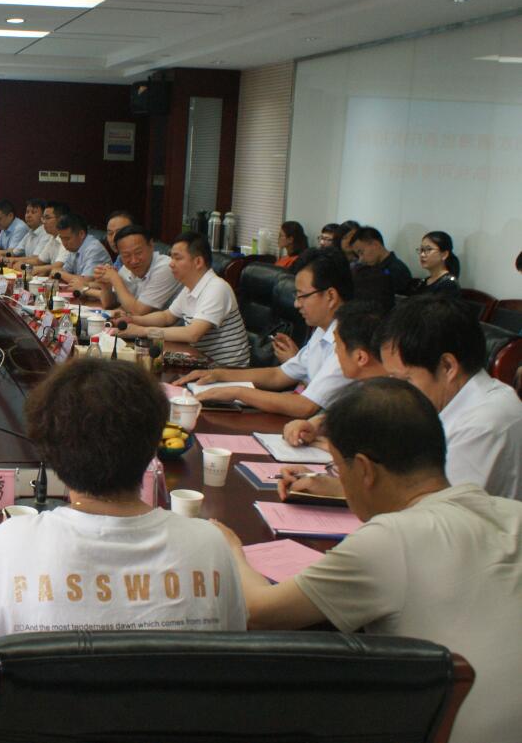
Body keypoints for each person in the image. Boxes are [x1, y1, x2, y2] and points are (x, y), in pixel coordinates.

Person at [214, 378, 522, 743]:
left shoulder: (389, 540)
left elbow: (258, 612)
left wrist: (230, 547)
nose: (339, 480)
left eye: (336, 469)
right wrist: (339, 490)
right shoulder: (510, 511)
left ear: (364, 469)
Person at [0, 360, 245, 692]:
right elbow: (228, 663)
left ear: (49, 451)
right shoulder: (209, 545)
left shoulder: (11, 544)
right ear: (155, 444)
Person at [286, 296, 521, 500]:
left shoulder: (484, 424)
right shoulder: (445, 401)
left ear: (448, 366)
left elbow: (438, 513)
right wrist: (337, 486)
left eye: (405, 379)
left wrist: (349, 490)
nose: (397, 391)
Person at [175, 249, 354, 417]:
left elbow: (305, 406)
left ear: (330, 296)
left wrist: (237, 392)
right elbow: (279, 375)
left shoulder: (348, 341)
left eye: (302, 296)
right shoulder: (323, 330)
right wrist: (219, 374)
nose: (296, 304)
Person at [116, 232, 250, 368]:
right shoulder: (190, 287)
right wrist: (133, 320)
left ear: (198, 262)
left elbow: (193, 334)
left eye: (177, 258)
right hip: (200, 362)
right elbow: (166, 317)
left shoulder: (216, 288)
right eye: (171, 258)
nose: (171, 264)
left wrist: (142, 331)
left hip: (227, 370)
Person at [281, 301, 387, 450]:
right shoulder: (364, 386)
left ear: (360, 357)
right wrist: (314, 424)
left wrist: (337, 450)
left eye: (337, 345)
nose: (335, 352)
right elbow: (349, 414)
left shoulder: (395, 401)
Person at [85, 224, 180, 314]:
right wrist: (106, 286)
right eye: (126, 255)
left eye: (138, 253)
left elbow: (139, 311)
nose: (133, 261)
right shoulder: (126, 269)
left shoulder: (166, 267)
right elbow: (110, 304)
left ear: (151, 245)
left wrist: (115, 278)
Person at [350, 226, 411, 309]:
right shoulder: (372, 268)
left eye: (361, 252)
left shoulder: (396, 270)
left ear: (375, 244)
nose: (361, 259)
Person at [47, 213, 108, 289]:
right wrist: (59, 273)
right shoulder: (74, 248)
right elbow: (64, 272)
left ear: (81, 234)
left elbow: (85, 282)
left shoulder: (94, 249)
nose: (64, 243)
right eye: (62, 238)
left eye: (67, 239)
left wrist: (59, 273)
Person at [4, 201, 63, 269]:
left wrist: (26, 267)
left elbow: (55, 267)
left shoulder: (49, 235)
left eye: (33, 212)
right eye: (27, 212)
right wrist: (14, 261)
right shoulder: (51, 238)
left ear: (60, 219)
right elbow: (38, 260)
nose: (28, 216)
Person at [408, 230, 460, 298]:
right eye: (421, 249)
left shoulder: (449, 284)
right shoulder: (423, 282)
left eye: (428, 249)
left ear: (444, 254)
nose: (422, 255)